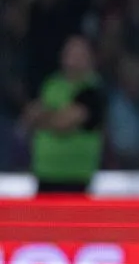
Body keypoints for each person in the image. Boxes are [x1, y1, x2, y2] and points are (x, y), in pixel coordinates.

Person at [22, 36, 105, 195]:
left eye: (79, 53)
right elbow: (29, 116)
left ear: (90, 57)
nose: (73, 58)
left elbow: (62, 123)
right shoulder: (52, 84)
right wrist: (51, 117)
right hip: (44, 175)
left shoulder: (92, 89)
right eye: (70, 52)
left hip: (75, 179)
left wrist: (44, 117)